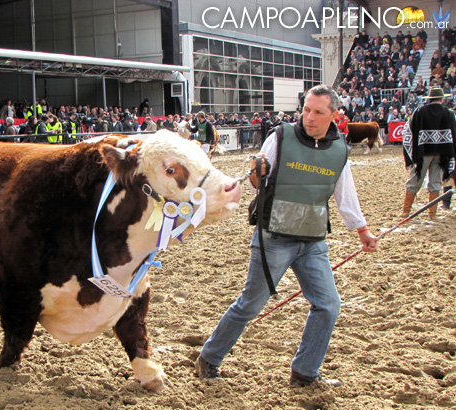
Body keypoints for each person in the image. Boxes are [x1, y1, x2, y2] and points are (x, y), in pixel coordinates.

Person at [195, 84, 378, 387]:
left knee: (328, 305)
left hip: (313, 241)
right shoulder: (280, 137)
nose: (309, 117)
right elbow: (256, 183)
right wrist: (255, 174)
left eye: (318, 112)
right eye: (306, 109)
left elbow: (345, 194)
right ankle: (209, 357)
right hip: (274, 239)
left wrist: (362, 229)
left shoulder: (339, 151)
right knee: (251, 305)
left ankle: (305, 373)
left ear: (334, 114)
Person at [401, 86, 456, 220]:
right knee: (436, 183)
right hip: (442, 154)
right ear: (442, 99)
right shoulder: (449, 114)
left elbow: (407, 130)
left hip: (423, 152)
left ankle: (406, 211)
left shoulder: (419, 112)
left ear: (430, 99)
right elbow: (454, 133)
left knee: (415, 180)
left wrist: (411, 153)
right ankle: (432, 214)